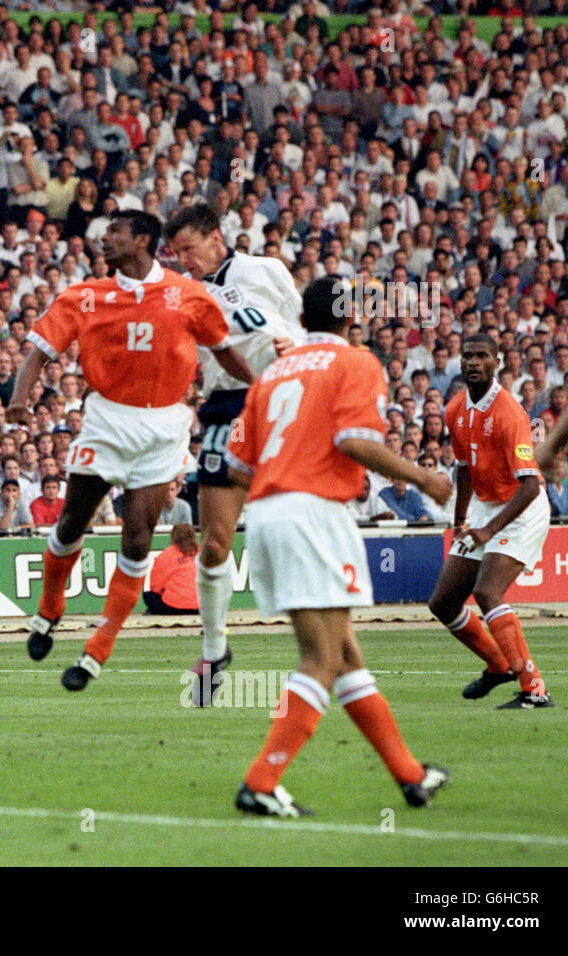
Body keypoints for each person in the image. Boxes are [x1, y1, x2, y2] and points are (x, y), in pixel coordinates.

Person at [225, 275, 452, 817]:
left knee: (345, 653)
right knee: (321, 656)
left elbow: (236, 467)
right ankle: (261, 779)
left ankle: (411, 777)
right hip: (314, 511)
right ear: (351, 319)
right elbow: (352, 442)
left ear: (301, 319)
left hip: (267, 512)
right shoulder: (355, 362)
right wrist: (423, 478)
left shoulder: (274, 373)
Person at [8, 209, 254, 690]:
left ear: (142, 240)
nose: (104, 238)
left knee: (138, 538)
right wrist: (19, 399)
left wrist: (263, 383)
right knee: (72, 521)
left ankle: (99, 647)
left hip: (164, 425)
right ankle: (50, 606)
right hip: (107, 420)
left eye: (115, 231)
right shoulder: (84, 296)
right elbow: (38, 353)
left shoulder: (188, 295)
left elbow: (223, 349)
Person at [163, 203, 304, 706]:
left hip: (279, 401)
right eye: (176, 253)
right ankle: (215, 649)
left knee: (292, 528)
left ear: (215, 237)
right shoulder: (182, 293)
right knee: (216, 543)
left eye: (189, 249)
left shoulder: (265, 269)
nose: (184, 260)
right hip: (225, 407)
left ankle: (328, 647)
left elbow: (297, 326)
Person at [427, 334, 554, 709]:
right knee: (443, 602)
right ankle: (498, 664)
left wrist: (488, 530)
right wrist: (461, 520)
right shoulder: (454, 410)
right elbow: (464, 468)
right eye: (467, 356)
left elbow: (530, 486)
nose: (473, 362)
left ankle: (534, 688)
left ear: (496, 362)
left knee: (486, 592)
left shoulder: (508, 412)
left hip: (521, 509)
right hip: (484, 508)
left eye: (482, 356)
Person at [145, 523, 200, 614]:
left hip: (174, 607)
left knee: (148, 595)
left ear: (173, 537)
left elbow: (155, 586)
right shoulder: (202, 553)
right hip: (201, 606)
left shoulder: (166, 554)